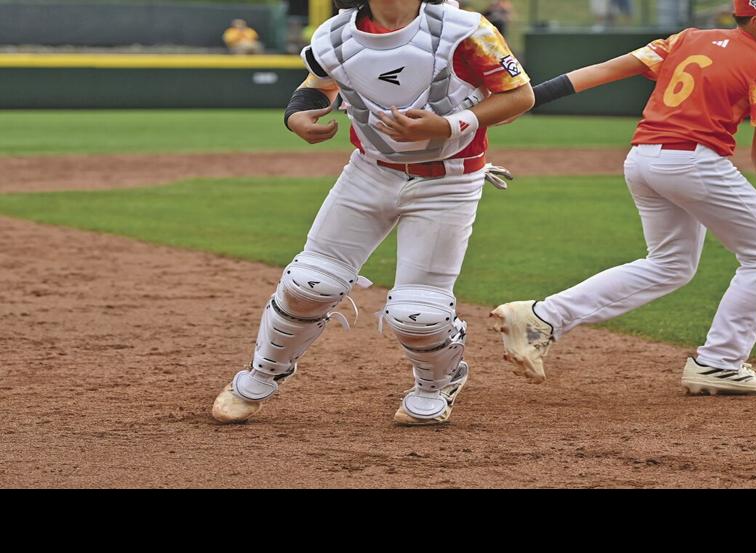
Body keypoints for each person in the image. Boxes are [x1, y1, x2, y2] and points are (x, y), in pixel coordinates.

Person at [488, 0, 756, 397]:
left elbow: (605, 70)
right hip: (692, 163)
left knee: (671, 264)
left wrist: (528, 98)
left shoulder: (687, 39)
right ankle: (721, 363)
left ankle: (541, 316)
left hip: (642, 159)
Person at [210, 0, 534, 426]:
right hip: (369, 171)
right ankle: (261, 374)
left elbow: (519, 95)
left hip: (450, 179)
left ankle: (439, 383)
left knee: (420, 313)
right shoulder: (335, 35)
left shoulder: (464, 30)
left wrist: (447, 125)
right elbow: (320, 82)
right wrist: (296, 116)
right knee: (309, 282)